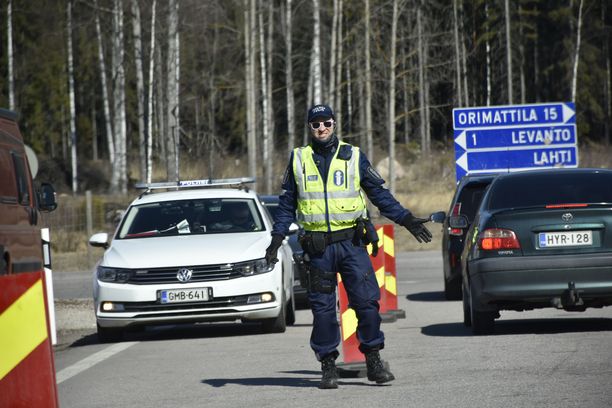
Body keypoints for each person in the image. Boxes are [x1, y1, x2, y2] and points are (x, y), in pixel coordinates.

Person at [264, 104, 432, 389]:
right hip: (318, 250)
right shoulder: (298, 159)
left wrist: (406, 219)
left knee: (367, 305)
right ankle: (328, 365)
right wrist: (277, 239)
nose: (322, 129)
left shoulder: (353, 156)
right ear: (309, 127)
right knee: (323, 311)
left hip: (352, 245)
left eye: (326, 123)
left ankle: (373, 361)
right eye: (316, 124)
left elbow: (379, 194)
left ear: (334, 123)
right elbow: (286, 206)